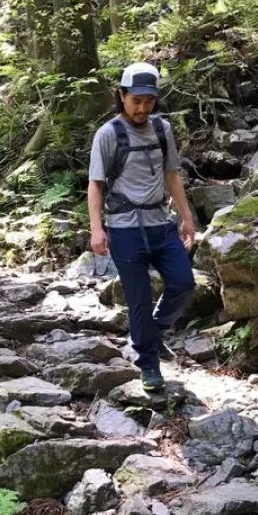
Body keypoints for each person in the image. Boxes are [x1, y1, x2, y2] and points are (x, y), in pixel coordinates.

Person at [88, 62, 196, 392]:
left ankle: (154, 330)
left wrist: (187, 217)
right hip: (124, 228)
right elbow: (95, 184)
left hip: (160, 223)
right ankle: (148, 365)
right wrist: (96, 229)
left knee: (184, 283)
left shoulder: (162, 129)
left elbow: (172, 176)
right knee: (138, 299)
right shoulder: (108, 134)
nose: (141, 108)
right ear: (121, 96)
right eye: (135, 100)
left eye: (148, 101)